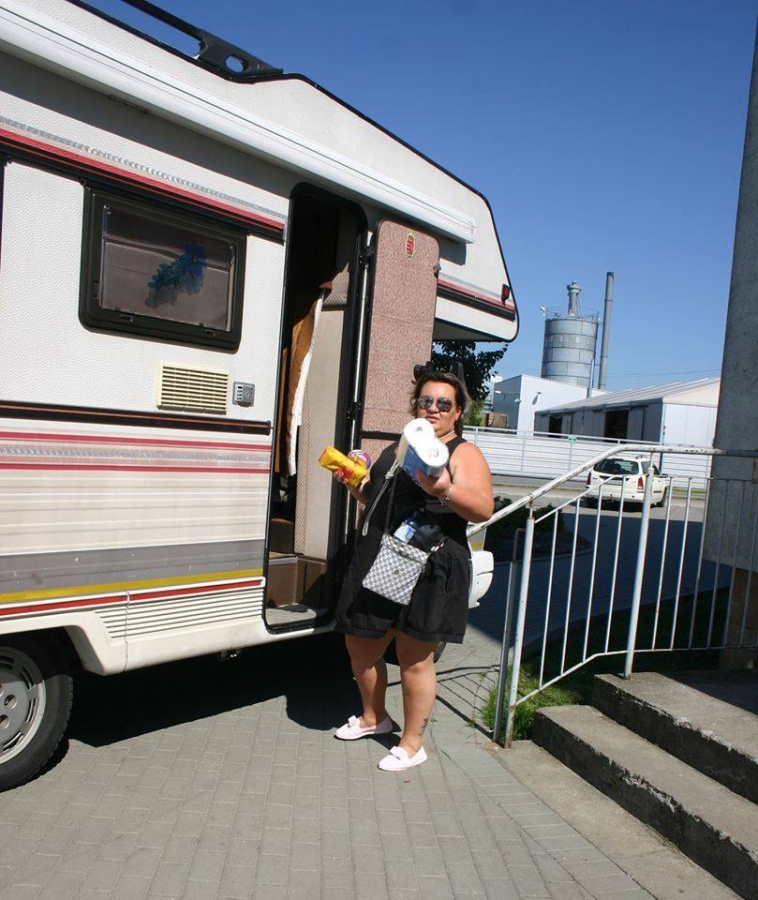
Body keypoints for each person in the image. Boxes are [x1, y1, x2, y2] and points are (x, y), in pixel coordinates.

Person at [333, 371, 494, 771]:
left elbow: (482, 509)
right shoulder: (400, 446)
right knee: (361, 641)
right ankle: (374, 718)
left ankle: (412, 743)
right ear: (415, 406)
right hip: (382, 556)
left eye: (443, 403)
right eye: (426, 401)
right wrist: (353, 483)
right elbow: (376, 497)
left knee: (413, 657)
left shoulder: (462, 452)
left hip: (429, 562)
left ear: (458, 412)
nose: (433, 408)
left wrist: (445, 490)